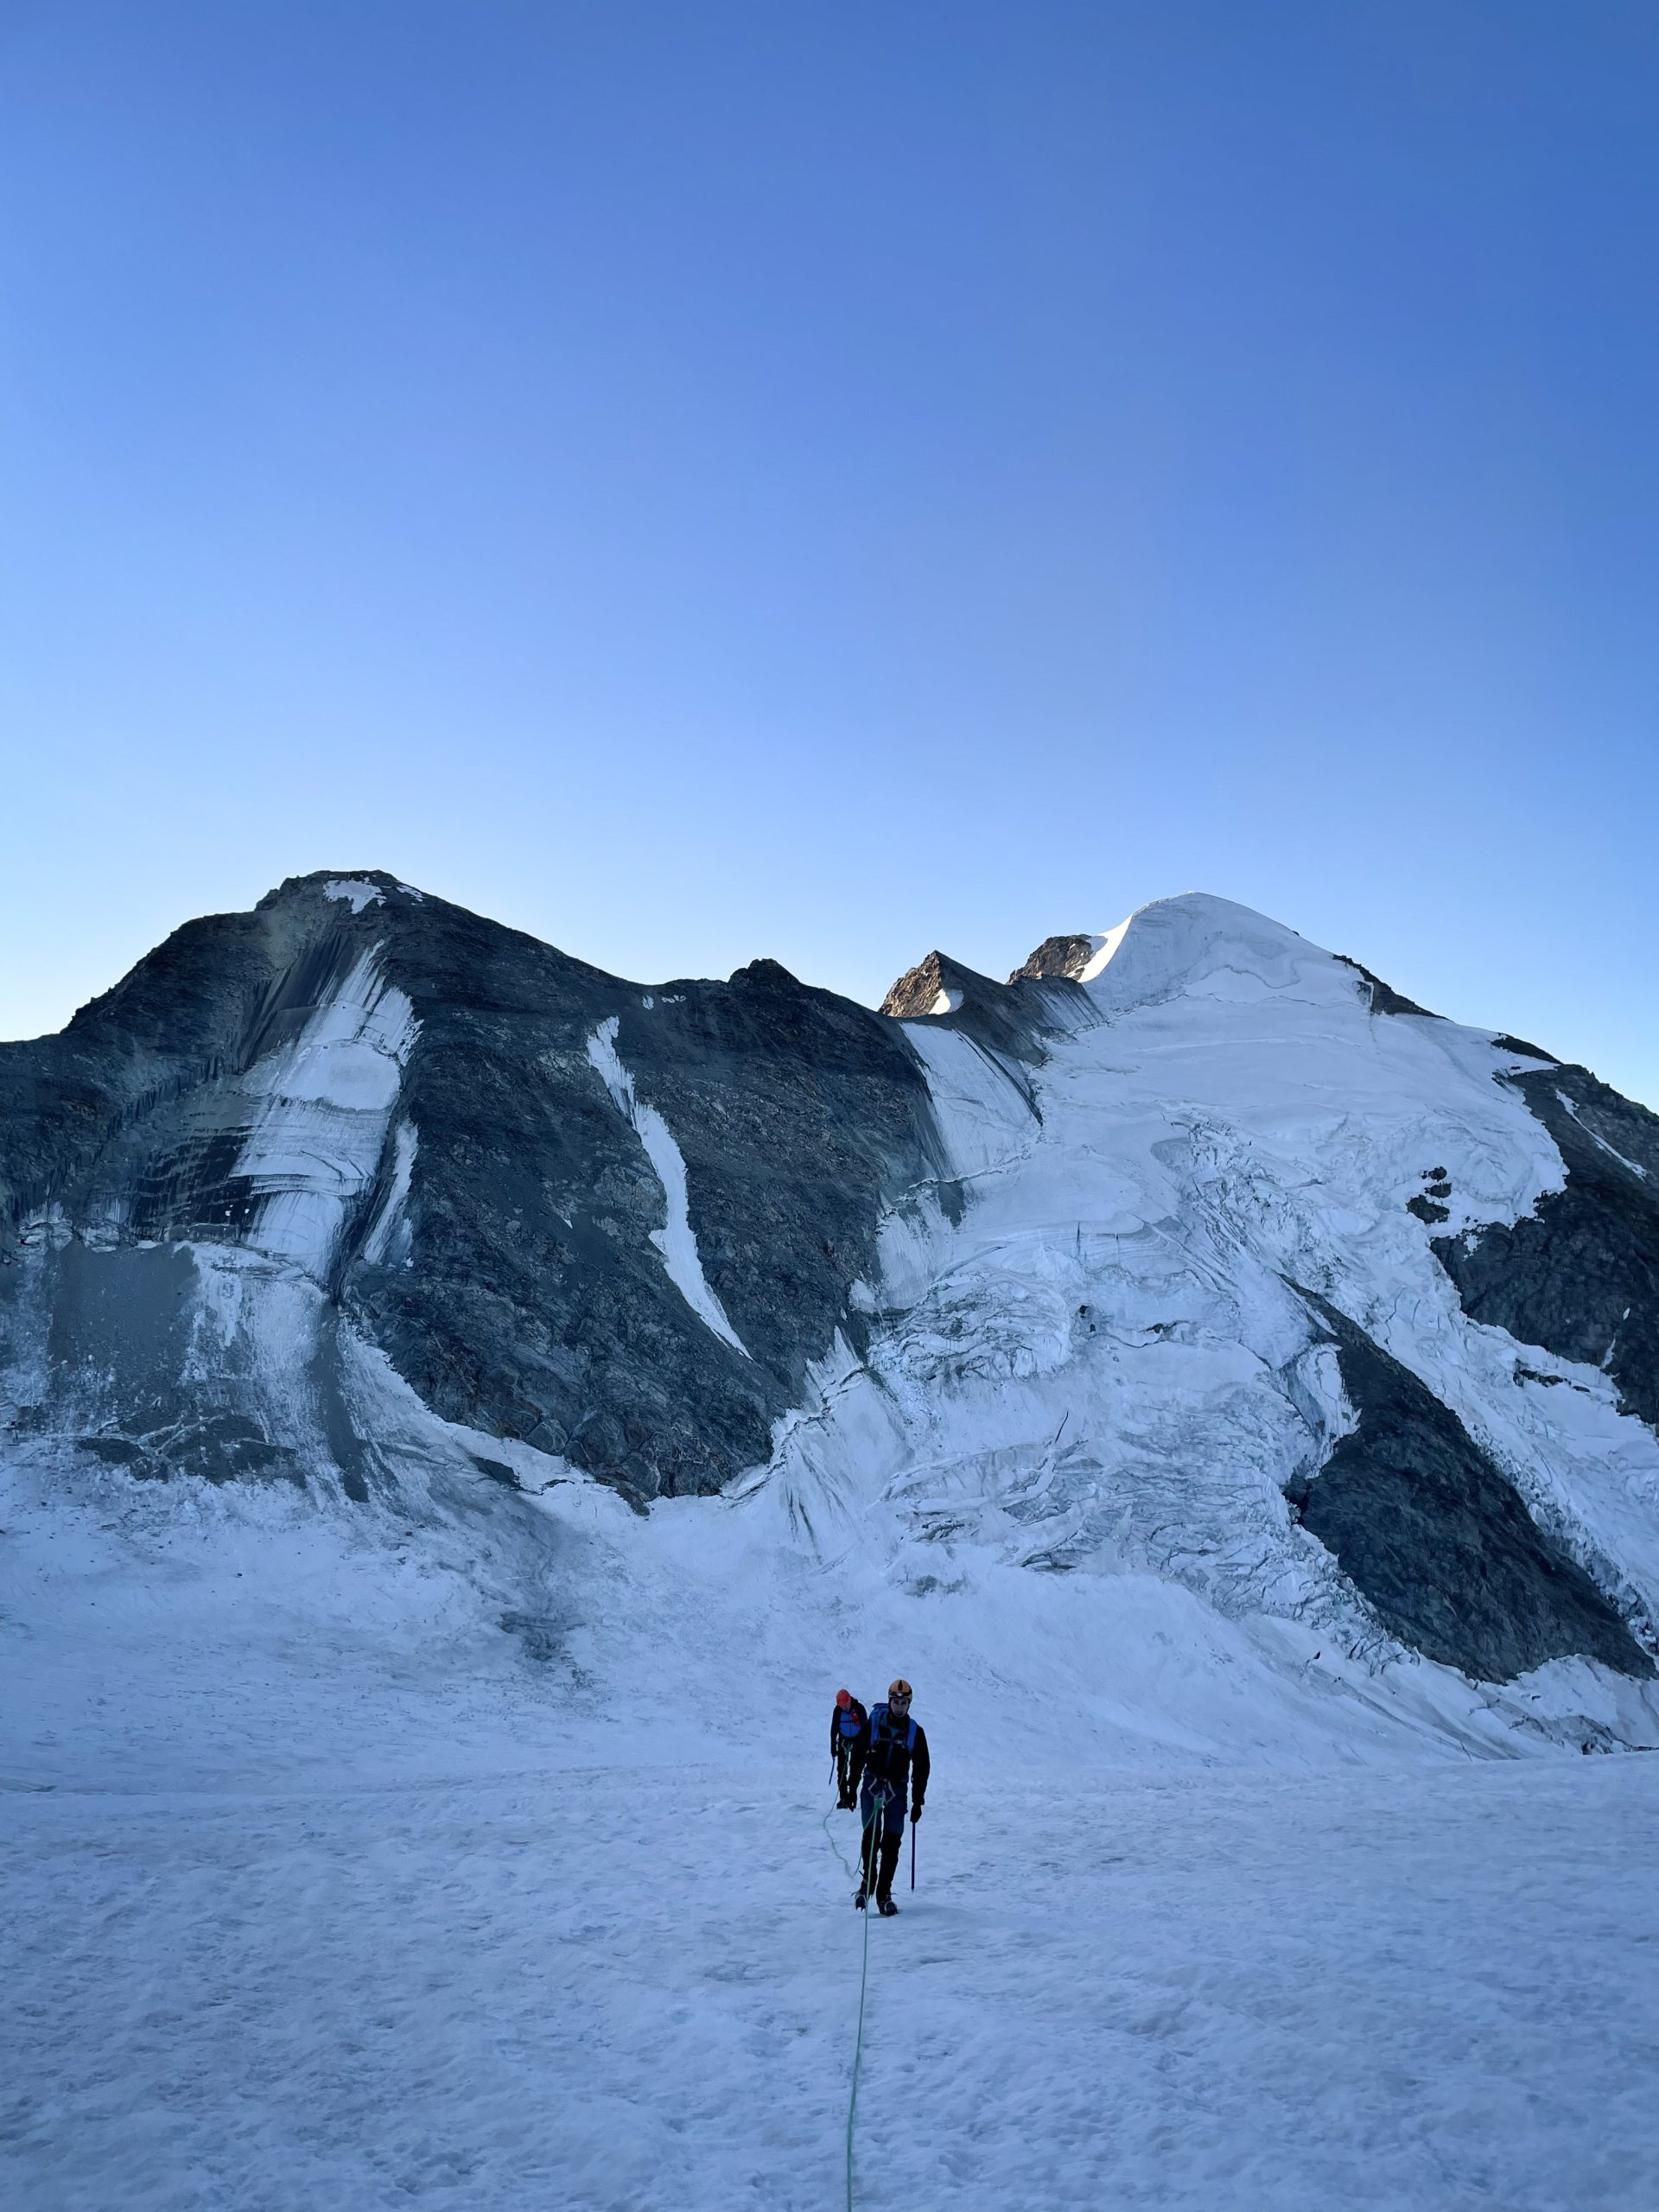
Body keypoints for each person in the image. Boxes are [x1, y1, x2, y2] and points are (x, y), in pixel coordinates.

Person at [848, 1678, 930, 1916]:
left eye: (904, 1702)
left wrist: (918, 1801)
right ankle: (868, 1884)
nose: (900, 1707)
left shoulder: (915, 1732)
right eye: (896, 1701)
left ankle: (884, 1895)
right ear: (889, 1701)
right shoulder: (874, 1723)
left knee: (892, 1843)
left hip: (897, 1792)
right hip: (872, 1786)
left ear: (909, 1704)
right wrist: (851, 1788)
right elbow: (857, 1756)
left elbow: (922, 1767)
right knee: (871, 1838)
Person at [830, 1688, 868, 1809]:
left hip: (859, 1740)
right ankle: (843, 1797)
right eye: (842, 1706)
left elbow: (866, 1728)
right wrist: (833, 1746)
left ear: (849, 1699)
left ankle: (852, 1795)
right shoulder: (837, 1711)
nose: (844, 1708)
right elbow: (834, 1729)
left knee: (855, 1769)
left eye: (845, 1705)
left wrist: (866, 1746)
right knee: (841, 1770)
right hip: (843, 1740)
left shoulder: (859, 1708)